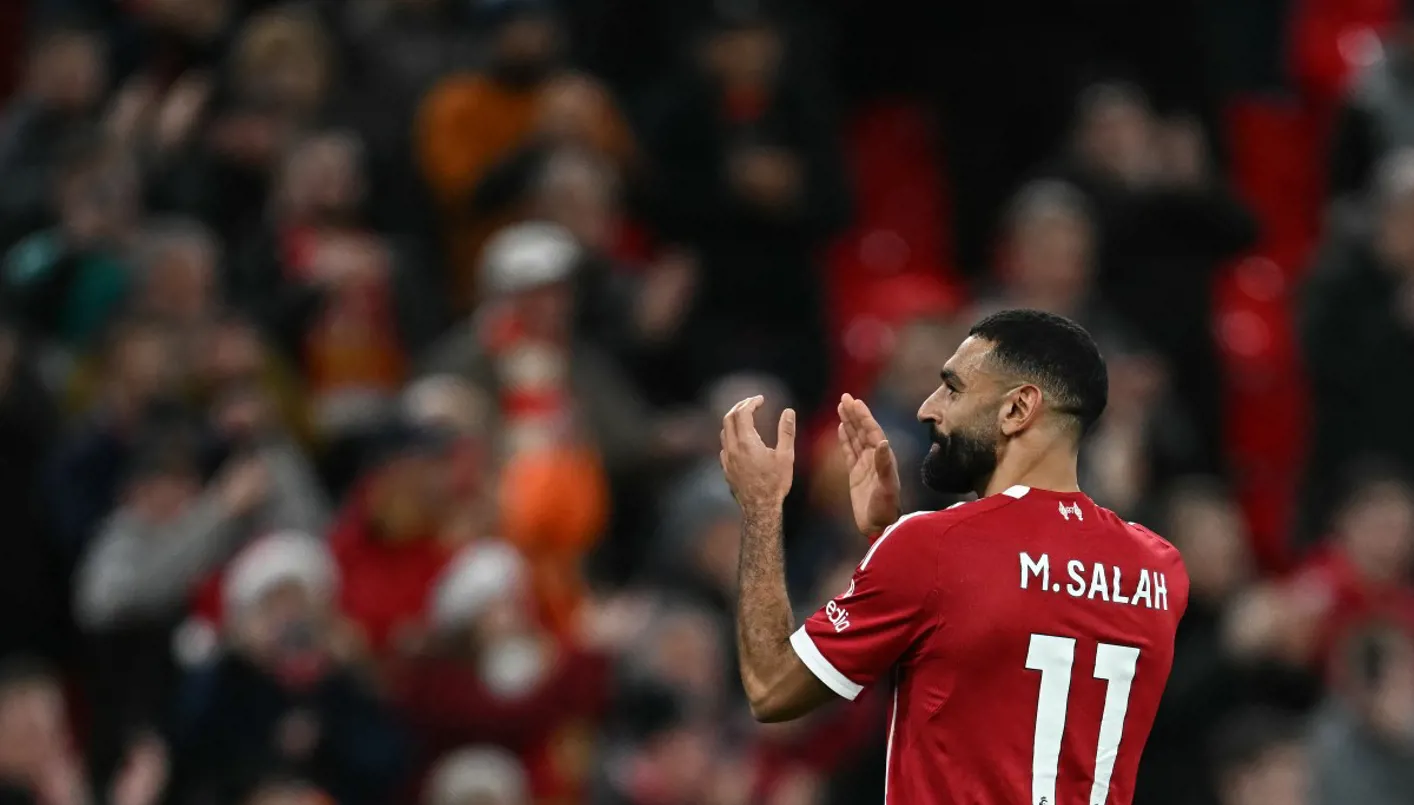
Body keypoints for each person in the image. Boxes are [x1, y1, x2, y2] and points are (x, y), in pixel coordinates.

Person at [719, 308, 1189, 805]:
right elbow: (1001, 642)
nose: (928, 409)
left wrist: (761, 507)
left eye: (953, 389)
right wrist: (883, 540)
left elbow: (772, 688)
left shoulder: (934, 548)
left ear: (1018, 408)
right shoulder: (1160, 569)